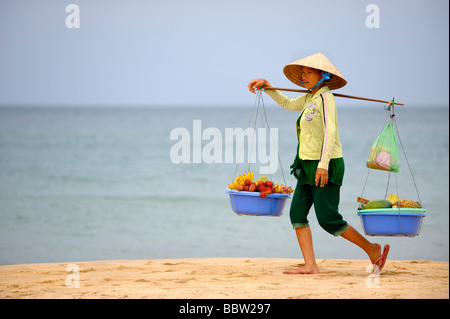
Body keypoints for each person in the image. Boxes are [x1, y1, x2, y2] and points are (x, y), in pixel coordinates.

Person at [247, 52, 389, 274]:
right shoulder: (310, 97)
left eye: (309, 72)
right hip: (306, 166)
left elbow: (331, 132)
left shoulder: (326, 98)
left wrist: (323, 164)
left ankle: (372, 249)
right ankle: (311, 265)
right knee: (297, 214)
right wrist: (268, 86)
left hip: (326, 165)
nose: (304, 76)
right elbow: (287, 103)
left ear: (323, 75)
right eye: (303, 72)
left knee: (328, 219)